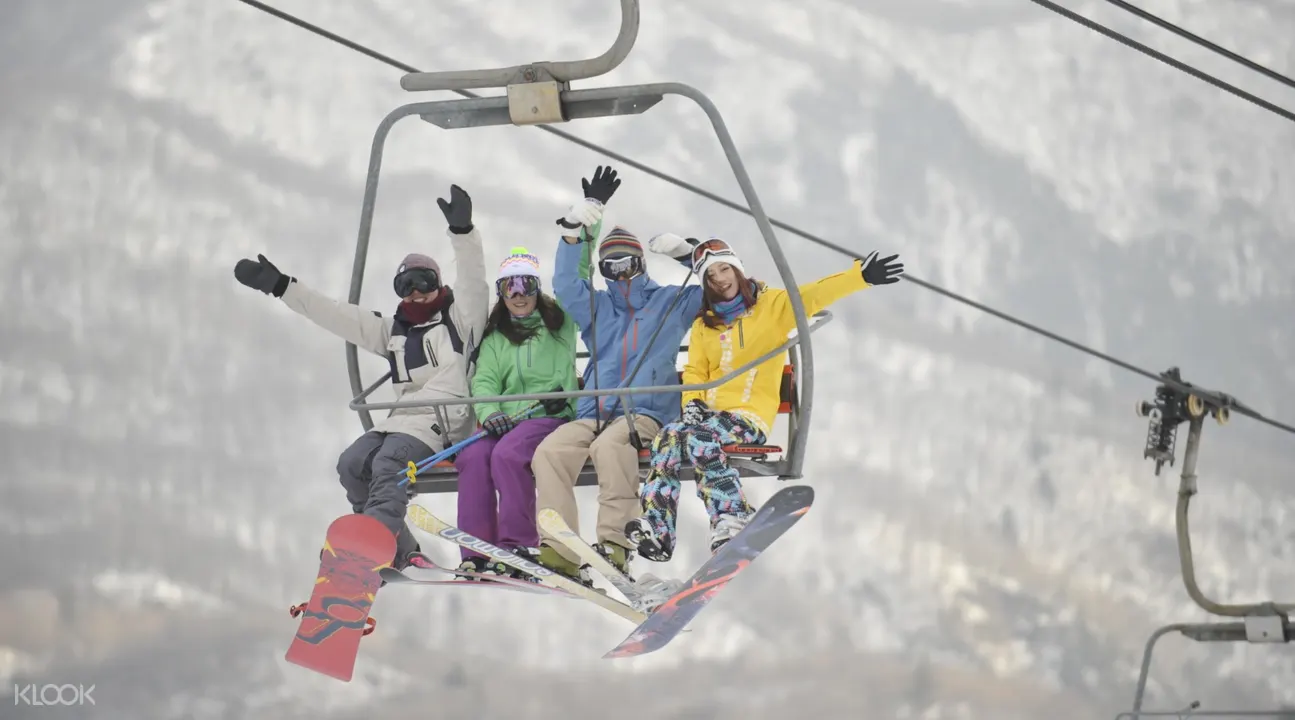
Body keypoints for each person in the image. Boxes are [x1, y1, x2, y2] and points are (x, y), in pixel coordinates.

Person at [232, 184, 489, 571]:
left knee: (388, 467)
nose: (417, 294)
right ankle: (395, 549)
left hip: (444, 422)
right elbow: (337, 315)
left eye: (425, 282)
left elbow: (473, 282)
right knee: (351, 464)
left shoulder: (461, 320)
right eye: (406, 286)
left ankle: (370, 550)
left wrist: (463, 233)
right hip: (401, 422)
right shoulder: (394, 332)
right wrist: (282, 287)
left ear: (438, 284)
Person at [625, 237, 905, 568]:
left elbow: (814, 295)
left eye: (725, 269)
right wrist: (692, 402)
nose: (721, 280)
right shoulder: (705, 324)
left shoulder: (772, 307)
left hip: (746, 418)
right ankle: (659, 531)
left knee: (702, 438)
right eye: (710, 277)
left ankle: (731, 516)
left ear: (738, 269)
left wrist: (860, 276)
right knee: (667, 438)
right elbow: (696, 370)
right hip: (709, 418)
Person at [529, 166, 704, 586]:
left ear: (642, 263)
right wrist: (577, 231)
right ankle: (560, 547)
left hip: (645, 412)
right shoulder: (598, 309)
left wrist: (688, 255)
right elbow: (568, 282)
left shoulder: (669, 301)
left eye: (626, 264)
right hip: (593, 409)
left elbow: (719, 285)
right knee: (548, 454)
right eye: (609, 268)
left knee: (611, 447)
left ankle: (615, 544)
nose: (619, 274)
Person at [453, 247, 579, 579]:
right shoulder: (496, 338)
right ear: (501, 293)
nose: (519, 295)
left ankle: (519, 545)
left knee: (508, 456)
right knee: (473, 456)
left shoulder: (559, 324)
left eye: (527, 286)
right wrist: (490, 412)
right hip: (506, 421)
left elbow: (576, 273)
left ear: (539, 289)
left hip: (549, 415)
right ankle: (478, 551)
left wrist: (581, 231)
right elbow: (484, 380)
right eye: (510, 287)